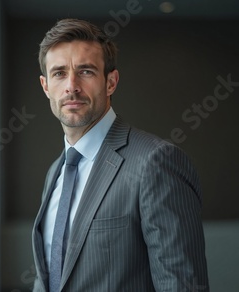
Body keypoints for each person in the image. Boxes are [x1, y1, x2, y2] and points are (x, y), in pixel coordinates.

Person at [31, 18, 209, 292]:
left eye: (86, 71)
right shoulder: (55, 171)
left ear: (111, 82)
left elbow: (182, 285)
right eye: (59, 73)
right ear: (45, 86)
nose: (71, 86)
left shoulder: (155, 162)